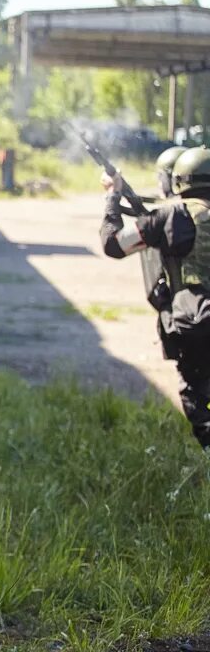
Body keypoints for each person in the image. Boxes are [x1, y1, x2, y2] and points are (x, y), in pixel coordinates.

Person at [101, 145, 210, 449]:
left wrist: (112, 198)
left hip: (197, 325)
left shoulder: (172, 215)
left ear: (180, 181)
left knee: (198, 397)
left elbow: (113, 244)